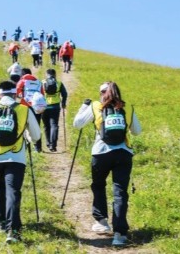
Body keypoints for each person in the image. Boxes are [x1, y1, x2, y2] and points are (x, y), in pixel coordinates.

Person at [73, 82, 142, 247]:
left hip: (101, 153)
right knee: (120, 192)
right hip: (123, 154)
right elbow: (137, 131)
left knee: (98, 185)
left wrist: (84, 107)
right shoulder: (127, 108)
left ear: (102, 93)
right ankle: (119, 234)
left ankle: (102, 222)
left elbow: (77, 124)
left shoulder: (96, 106)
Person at [0, 80, 41, 244]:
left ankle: (0, 222)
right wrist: (30, 139)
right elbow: (37, 135)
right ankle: (13, 230)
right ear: (15, 94)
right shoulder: (24, 109)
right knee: (13, 191)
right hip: (16, 158)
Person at [16, 68, 45, 152]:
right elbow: (42, 95)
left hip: (25, 107)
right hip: (36, 107)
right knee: (36, 127)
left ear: (22, 74)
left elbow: (16, 94)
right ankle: (38, 147)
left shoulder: (22, 81)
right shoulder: (38, 82)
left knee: (23, 126)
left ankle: (24, 146)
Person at [42, 69, 67, 152]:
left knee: (46, 126)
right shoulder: (59, 83)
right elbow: (65, 94)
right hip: (55, 107)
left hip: (44, 107)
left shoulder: (42, 83)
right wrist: (63, 103)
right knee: (54, 125)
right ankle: (53, 145)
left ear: (47, 74)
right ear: (55, 74)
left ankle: (48, 143)